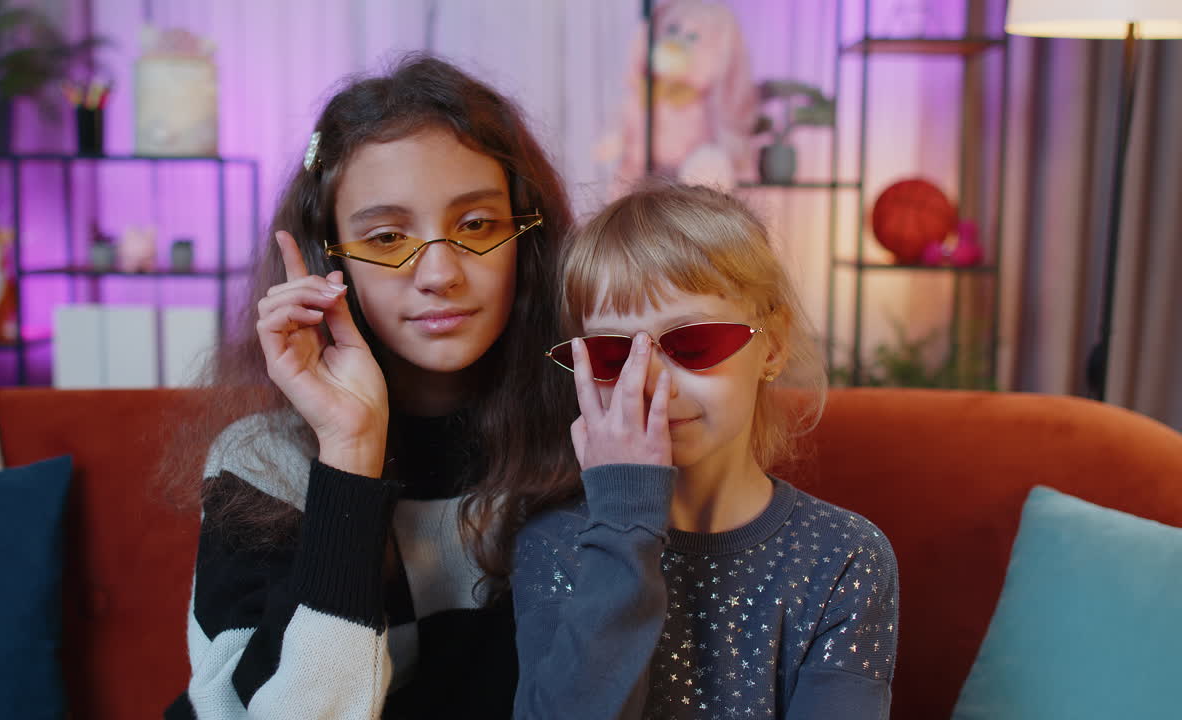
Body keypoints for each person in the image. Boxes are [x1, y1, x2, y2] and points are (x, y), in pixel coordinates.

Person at [164, 54, 579, 719]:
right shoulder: (261, 461)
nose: (439, 272)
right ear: (329, 260)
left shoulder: (593, 439)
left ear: (525, 243)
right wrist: (349, 452)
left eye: (475, 225)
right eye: (387, 237)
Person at [511, 182, 899, 719]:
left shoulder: (845, 556)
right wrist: (624, 522)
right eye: (611, 353)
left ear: (775, 345)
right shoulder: (554, 547)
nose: (651, 385)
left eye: (692, 343)